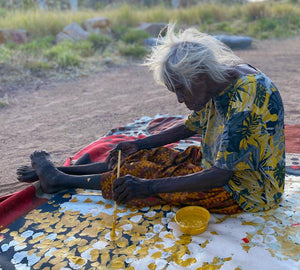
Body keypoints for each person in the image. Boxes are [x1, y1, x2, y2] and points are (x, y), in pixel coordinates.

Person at [18, 24, 285, 214]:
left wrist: (148, 187)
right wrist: (141, 144)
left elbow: (220, 176)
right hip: (216, 163)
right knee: (148, 156)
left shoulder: (249, 94)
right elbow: (191, 126)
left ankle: (58, 180)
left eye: (182, 89)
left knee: (139, 176)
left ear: (200, 74)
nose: (181, 99)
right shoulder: (222, 79)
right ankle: (64, 172)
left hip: (246, 190)